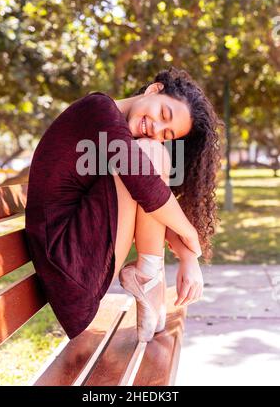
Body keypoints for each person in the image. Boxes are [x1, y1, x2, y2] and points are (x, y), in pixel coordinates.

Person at [25, 66, 223, 342]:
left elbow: (153, 200)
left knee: (150, 156)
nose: (156, 128)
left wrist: (189, 258)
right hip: (68, 268)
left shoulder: (124, 141)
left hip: (82, 272)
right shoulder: (97, 109)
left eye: (167, 134)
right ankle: (148, 278)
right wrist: (191, 235)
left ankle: (149, 275)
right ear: (154, 89)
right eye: (164, 114)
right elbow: (149, 190)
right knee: (149, 155)